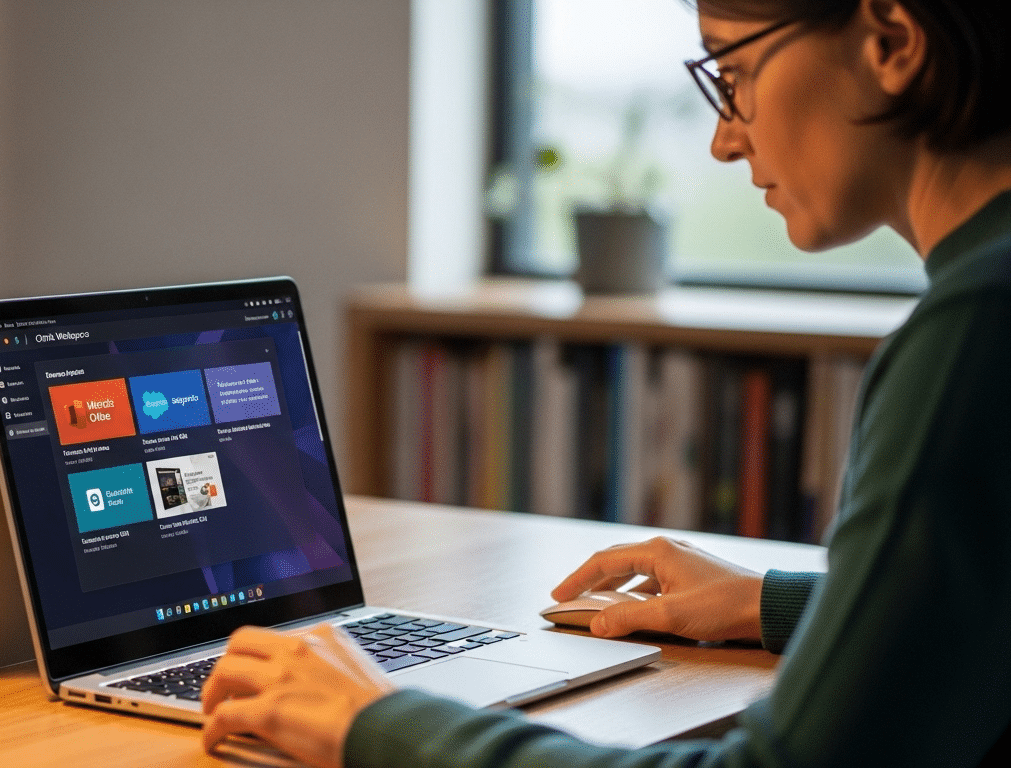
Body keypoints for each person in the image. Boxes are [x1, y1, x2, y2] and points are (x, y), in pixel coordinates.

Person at [199, 0, 1011, 766]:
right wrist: (774, 603)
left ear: (891, 42)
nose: (724, 141)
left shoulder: (974, 328)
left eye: (735, 78)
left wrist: (375, 724)